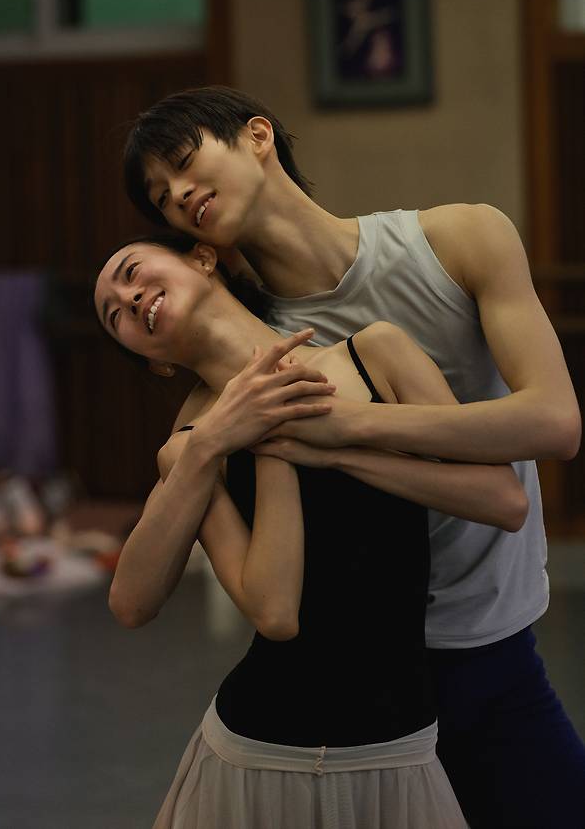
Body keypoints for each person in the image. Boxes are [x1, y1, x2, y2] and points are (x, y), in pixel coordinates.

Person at [121, 86, 585, 829]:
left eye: (183, 163)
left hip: (489, 648)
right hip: (358, 685)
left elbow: (555, 423)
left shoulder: (459, 239)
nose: (177, 194)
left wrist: (349, 430)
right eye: (161, 199)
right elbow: (176, 595)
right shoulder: (243, 378)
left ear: (259, 136)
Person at [95, 234, 532, 827]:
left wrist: (340, 452)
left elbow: (503, 500)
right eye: (113, 315)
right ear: (156, 362)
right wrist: (233, 441)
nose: (128, 299)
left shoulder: (375, 354)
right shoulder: (190, 451)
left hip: (399, 748)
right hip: (257, 757)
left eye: (130, 272)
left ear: (202, 258)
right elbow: (256, 613)